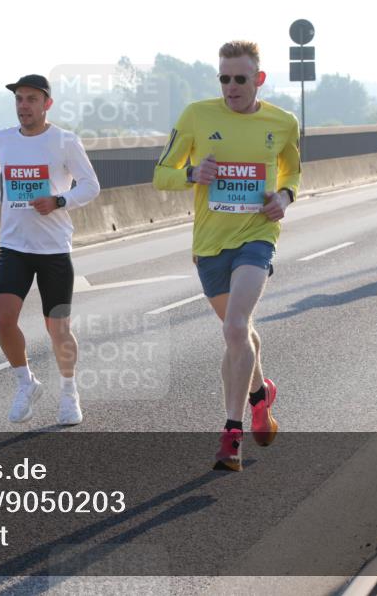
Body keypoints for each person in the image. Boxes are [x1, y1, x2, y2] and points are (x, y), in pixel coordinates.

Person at [153, 40, 300, 471]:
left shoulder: (283, 122)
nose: (231, 87)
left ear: (259, 79)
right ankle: (260, 396)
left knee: (235, 328)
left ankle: (231, 435)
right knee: (240, 333)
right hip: (210, 246)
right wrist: (192, 174)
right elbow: (161, 174)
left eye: (240, 78)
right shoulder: (198, 116)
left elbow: (293, 171)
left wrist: (285, 197)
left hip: (257, 237)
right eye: (224, 78)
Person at [0, 74, 101, 426]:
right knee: (3, 318)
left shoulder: (64, 141)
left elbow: (92, 186)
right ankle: (25, 383)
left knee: (57, 328)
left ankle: (68, 392)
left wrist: (59, 200)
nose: (23, 106)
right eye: (19, 99)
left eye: (31, 99)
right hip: (14, 246)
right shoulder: (3, 139)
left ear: (47, 104)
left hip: (53, 250)